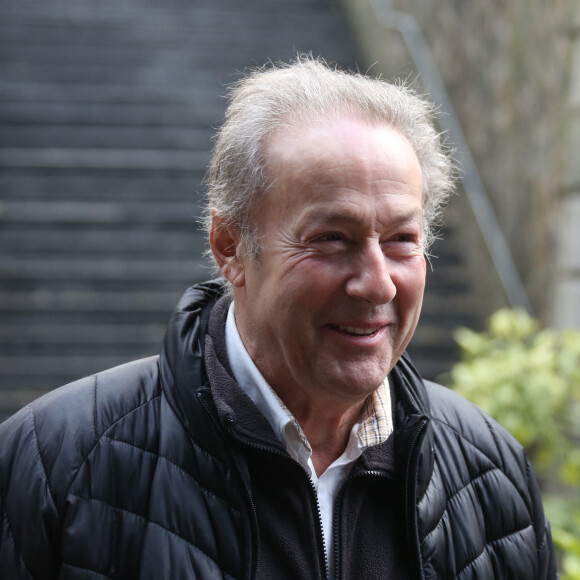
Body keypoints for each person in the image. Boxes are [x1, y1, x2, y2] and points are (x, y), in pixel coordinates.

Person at [0, 57, 556, 579]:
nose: (378, 282)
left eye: (401, 240)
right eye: (331, 239)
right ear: (230, 247)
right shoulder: (55, 467)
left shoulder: (492, 476)